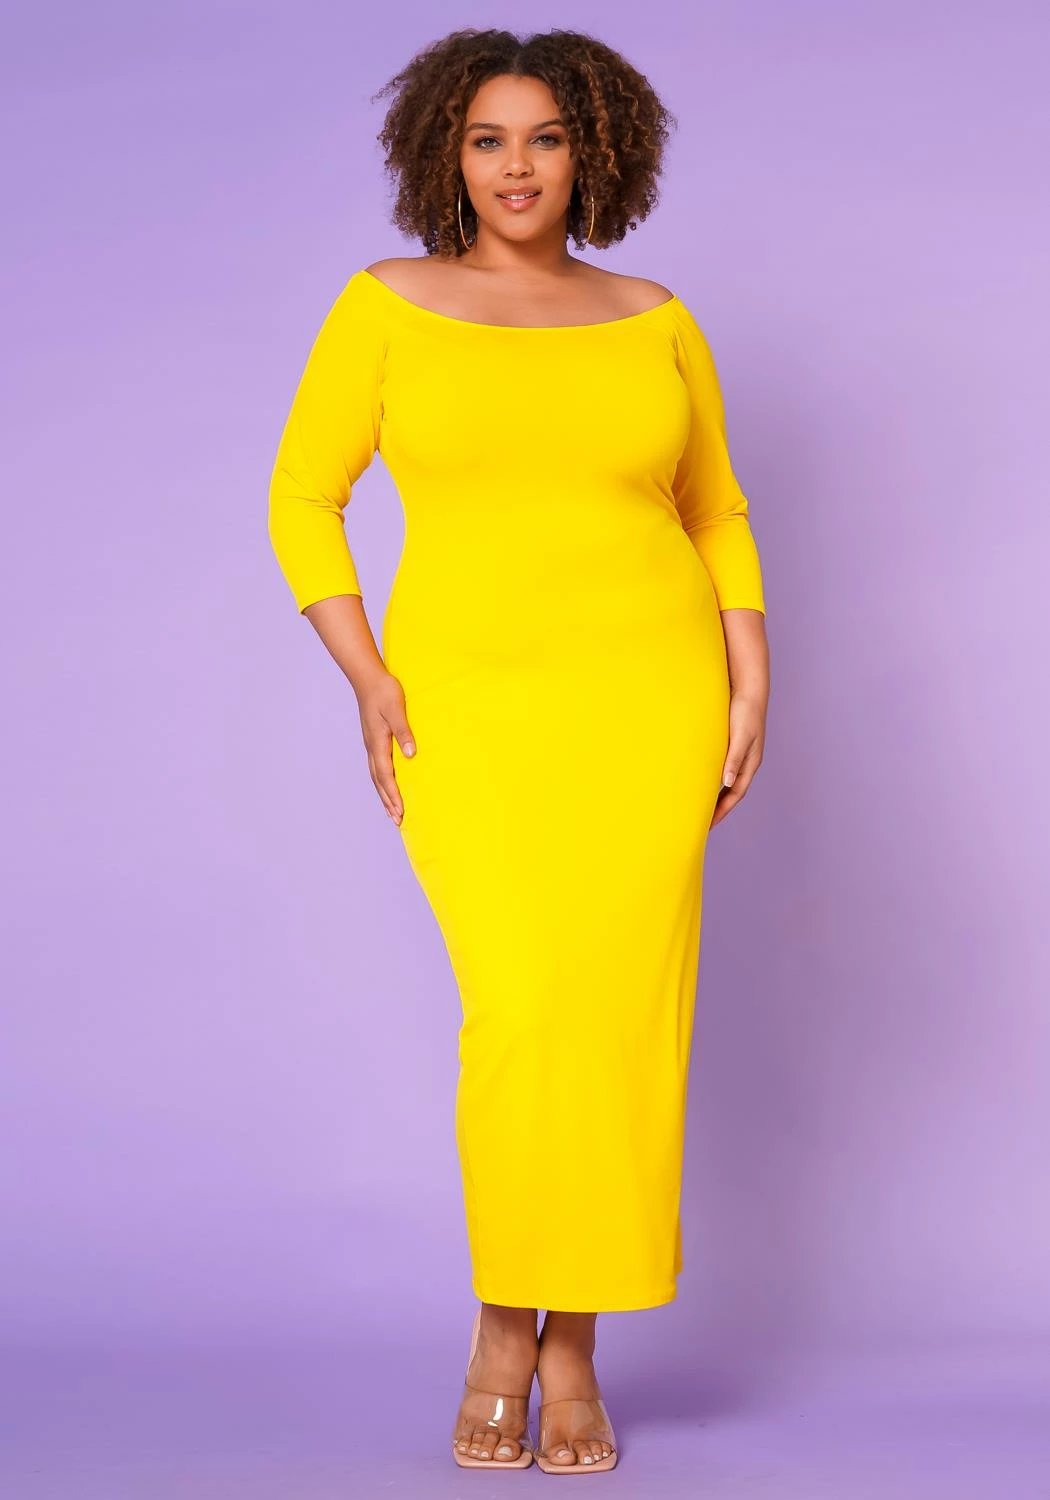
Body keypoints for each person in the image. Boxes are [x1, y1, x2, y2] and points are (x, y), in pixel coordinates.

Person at [267, 26, 770, 1476]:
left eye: (546, 137)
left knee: (617, 1020)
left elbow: (713, 507)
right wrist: (368, 675)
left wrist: (749, 671)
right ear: (447, 150)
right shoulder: (388, 305)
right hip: (471, 706)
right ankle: (507, 1322)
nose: (516, 166)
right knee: (523, 1011)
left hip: (648, 697)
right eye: (489, 138)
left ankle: (573, 1349)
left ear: (593, 151)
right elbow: (302, 497)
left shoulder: (652, 315)